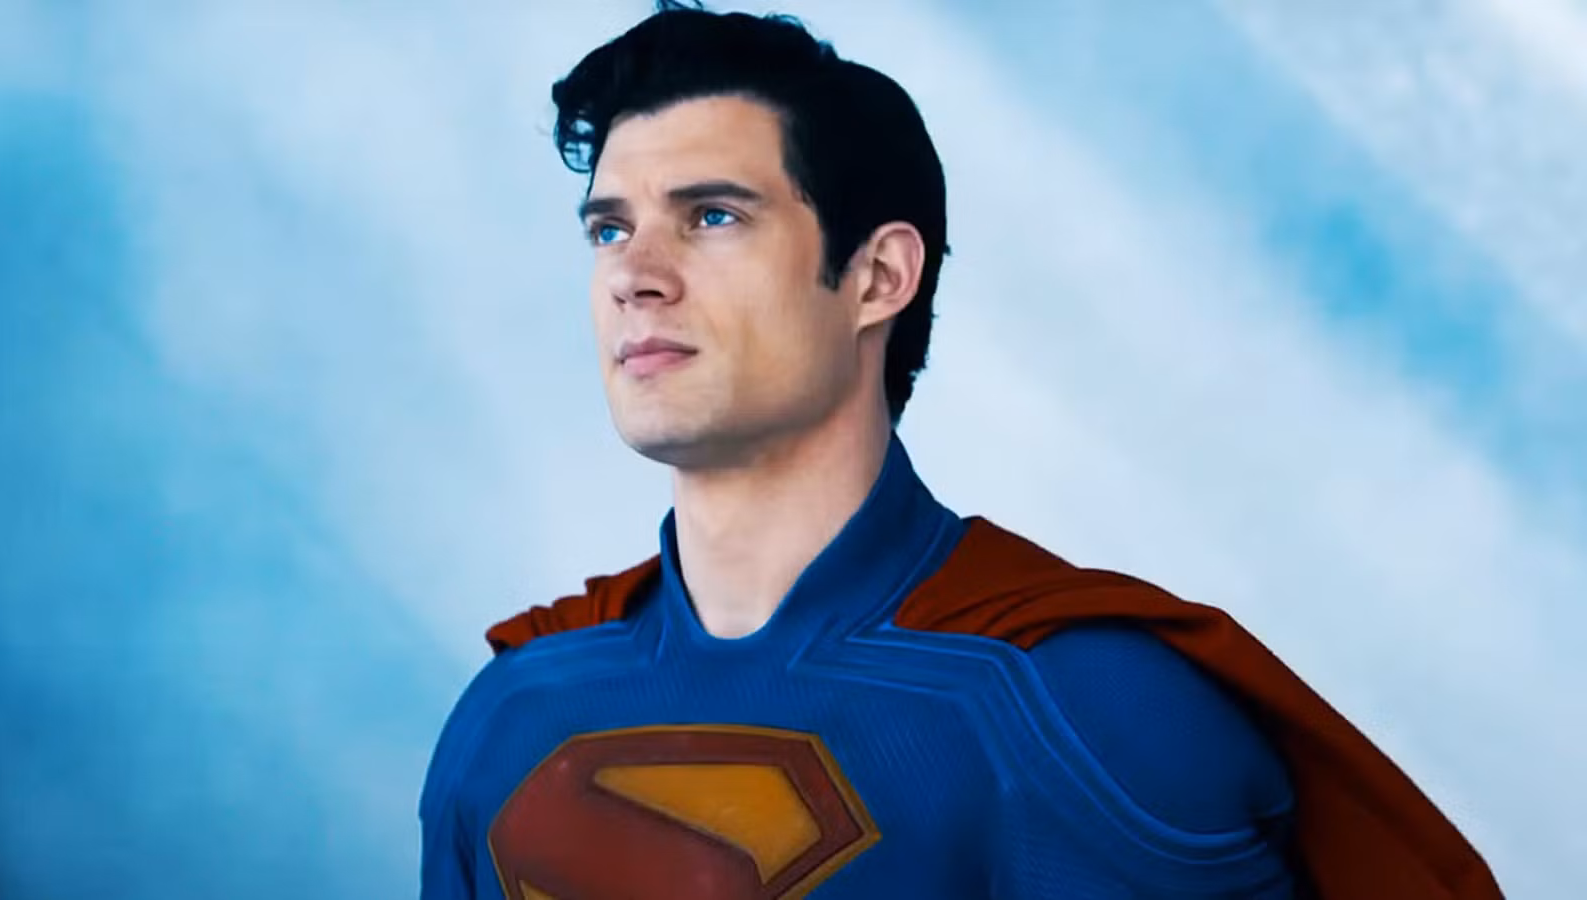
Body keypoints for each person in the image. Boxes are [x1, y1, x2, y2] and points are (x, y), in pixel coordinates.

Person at [419, 3, 1502, 897]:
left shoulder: (1080, 711)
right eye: (609, 228)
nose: (633, 275)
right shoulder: (513, 711)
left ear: (878, 277)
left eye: (712, 217)